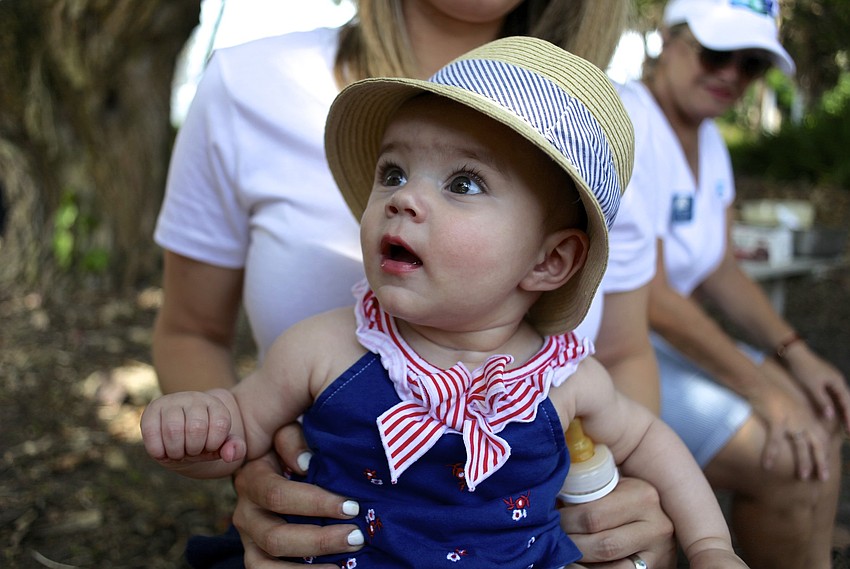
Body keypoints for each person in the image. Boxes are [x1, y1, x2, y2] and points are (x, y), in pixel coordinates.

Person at [143, 37, 747, 569]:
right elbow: (236, 431)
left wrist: (710, 546)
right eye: (393, 171)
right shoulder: (324, 349)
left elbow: (655, 445)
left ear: (549, 261)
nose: (403, 199)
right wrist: (197, 425)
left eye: (464, 183)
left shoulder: (562, 381)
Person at [614, 1, 850, 568]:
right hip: (611, 353)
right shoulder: (629, 119)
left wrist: (796, 355)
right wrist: (761, 388)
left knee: (819, 417)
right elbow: (654, 297)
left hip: (660, 344)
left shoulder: (709, 139)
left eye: (750, 65)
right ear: (668, 39)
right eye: (716, 53)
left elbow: (718, 265)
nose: (731, 76)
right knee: (788, 454)